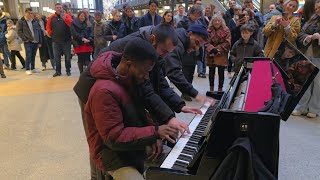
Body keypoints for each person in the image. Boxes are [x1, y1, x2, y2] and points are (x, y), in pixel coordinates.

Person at [74, 24, 204, 179]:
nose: (165, 56)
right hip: (90, 92)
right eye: (163, 51)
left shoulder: (142, 65)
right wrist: (156, 130)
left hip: (111, 95)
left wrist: (175, 109)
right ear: (153, 39)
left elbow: (155, 87)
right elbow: (112, 137)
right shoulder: (131, 53)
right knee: (98, 140)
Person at [85, 39, 179, 180]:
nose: (147, 77)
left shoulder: (130, 78)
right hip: (112, 155)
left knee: (178, 166)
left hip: (133, 147)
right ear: (129, 65)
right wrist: (155, 132)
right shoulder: (104, 92)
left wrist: (154, 135)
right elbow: (114, 137)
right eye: (145, 71)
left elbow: (141, 114)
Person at [165, 24, 213, 101]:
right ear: (190, 34)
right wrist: (195, 94)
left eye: (199, 46)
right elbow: (173, 71)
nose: (196, 48)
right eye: (196, 43)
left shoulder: (180, 41)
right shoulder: (177, 43)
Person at [293, 0, 320, 118]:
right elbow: (301, 33)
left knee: (318, 83)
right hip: (307, 55)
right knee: (306, 82)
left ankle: (314, 108)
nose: (318, 10)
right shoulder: (312, 18)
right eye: (317, 8)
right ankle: (302, 107)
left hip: (318, 55)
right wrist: (307, 38)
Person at [205, 15, 231, 92]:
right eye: (215, 21)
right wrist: (212, 49)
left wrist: (218, 49)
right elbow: (205, 41)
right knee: (211, 72)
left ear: (221, 21)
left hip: (221, 54)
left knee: (221, 72)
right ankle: (211, 88)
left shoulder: (226, 30)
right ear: (212, 22)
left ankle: (220, 89)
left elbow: (228, 41)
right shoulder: (209, 30)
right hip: (211, 54)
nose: (216, 22)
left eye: (218, 21)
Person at [47, 3, 73, 77]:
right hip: (56, 41)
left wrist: (65, 18)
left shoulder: (67, 16)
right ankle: (58, 71)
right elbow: (48, 27)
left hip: (66, 41)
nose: (59, 9)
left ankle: (68, 70)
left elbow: (71, 25)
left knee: (67, 57)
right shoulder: (51, 17)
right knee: (57, 58)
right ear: (55, 8)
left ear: (62, 8)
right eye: (57, 7)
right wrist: (50, 33)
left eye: (60, 7)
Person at [17, 7, 42, 75]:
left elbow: (38, 31)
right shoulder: (21, 21)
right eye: (29, 13)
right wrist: (25, 39)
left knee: (33, 55)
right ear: (25, 13)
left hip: (35, 41)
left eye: (31, 13)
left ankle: (33, 68)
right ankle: (27, 69)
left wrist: (39, 41)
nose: (30, 15)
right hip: (28, 41)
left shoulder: (34, 21)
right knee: (28, 55)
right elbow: (19, 31)